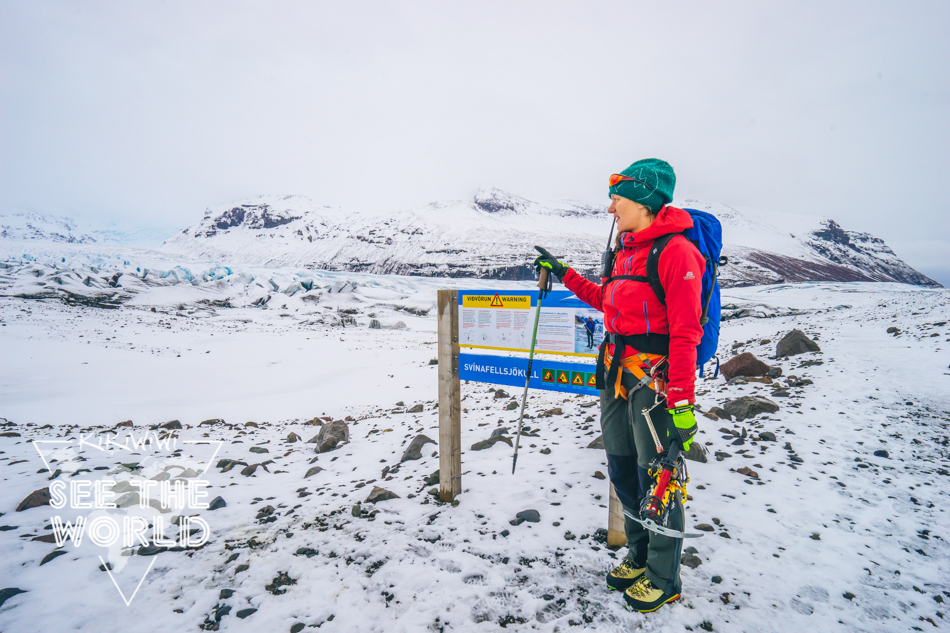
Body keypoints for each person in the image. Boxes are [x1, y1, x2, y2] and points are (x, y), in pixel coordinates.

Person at [534, 158, 704, 613]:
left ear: (645, 203)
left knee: (659, 477)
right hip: (615, 376)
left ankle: (664, 577)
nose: (611, 208)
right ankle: (638, 555)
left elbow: (688, 332)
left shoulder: (676, 252)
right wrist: (565, 271)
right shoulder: (626, 251)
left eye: (618, 198)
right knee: (623, 468)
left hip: (655, 384)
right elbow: (604, 299)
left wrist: (682, 401)